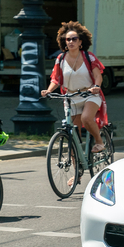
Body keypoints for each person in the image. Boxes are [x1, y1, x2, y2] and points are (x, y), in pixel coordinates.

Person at [41, 21, 107, 155]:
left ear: (80, 42)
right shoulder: (60, 59)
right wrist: (48, 90)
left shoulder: (89, 57)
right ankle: (78, 172)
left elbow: (98, 75)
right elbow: (56, 79)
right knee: (73, 135)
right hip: (71, 98)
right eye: (68, 39)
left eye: (74, 39)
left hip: (89, 95)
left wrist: (96, 87)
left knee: (87, 118)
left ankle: (99, 142)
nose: (71, 42)